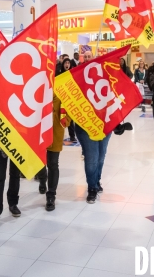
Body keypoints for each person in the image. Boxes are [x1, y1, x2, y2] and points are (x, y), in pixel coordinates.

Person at [74, 52, 110, 204]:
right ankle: (91, 188)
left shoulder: (104, 77)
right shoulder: (76, 77)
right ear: (82, 59)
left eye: (90, 56)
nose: (88, 58)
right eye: (85, 56)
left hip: (104, 124)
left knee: (101, 157)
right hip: (85, 125)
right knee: (92, 158)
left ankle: (96, 181)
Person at [36, 94, 67, 211]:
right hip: (39, 131)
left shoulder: (61, 88)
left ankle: (51, 195)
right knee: (40, 161)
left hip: (55, 132)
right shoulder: (40, 86)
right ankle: (43, 179)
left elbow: (69, 107)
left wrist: (66, 119)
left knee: (53, 163)